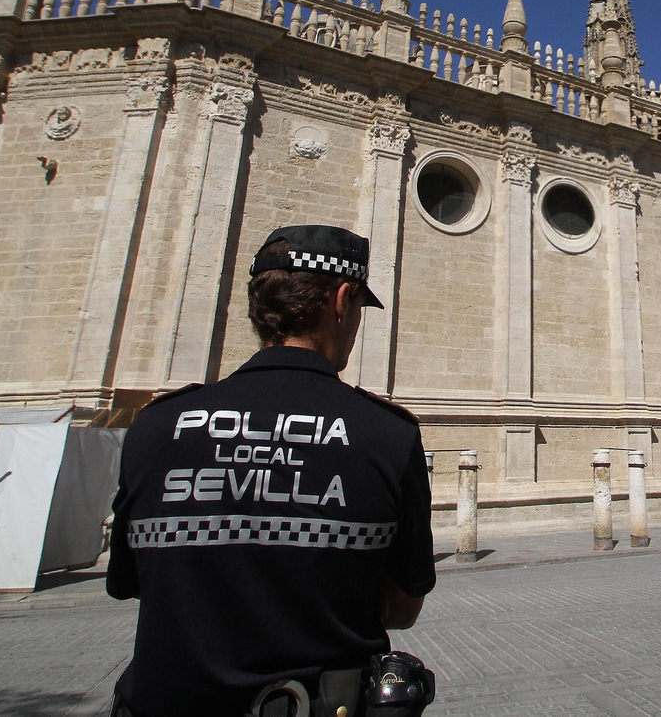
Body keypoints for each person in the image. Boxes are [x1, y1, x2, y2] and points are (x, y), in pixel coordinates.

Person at [106, 225, 437, 717]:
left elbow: (128, 581)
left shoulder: (156, 426)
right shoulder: (386, 434)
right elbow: (403, 608)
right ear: (342, 300)